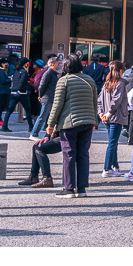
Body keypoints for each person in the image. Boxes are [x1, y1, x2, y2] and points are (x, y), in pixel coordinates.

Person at [46, 53, 98, 198]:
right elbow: (94, 103)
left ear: (66, 66)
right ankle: (82, 188)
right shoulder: (90, 80)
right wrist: (95, 121)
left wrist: (50, 124)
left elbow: (57, 105)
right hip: (88, 122)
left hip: (69, 123)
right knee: (83, 154)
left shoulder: (64, 81)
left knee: (69, 154)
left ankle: (68, 188)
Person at [97, 60, 129, 177]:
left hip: (106, 117)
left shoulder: (107, 82)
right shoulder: (120, 83)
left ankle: (115, 166)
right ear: (120, 70)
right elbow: (116, 101)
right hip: (115, 116)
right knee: (112, 142)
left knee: (113, 142)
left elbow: (99, 100)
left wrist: (101, 113)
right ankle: (107, 168)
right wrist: (108, 113)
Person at [31, 55, 61, 139]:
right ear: (52, 64)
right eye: (57, 63)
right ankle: (34, 133)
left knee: (52, 116)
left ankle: (51, 134)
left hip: (52, 98)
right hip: (47, 98)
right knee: (42, 117)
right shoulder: (48, 73)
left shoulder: (54, 73)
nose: (58, 65)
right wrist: (40, 95)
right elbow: (42, 85)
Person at [3, 58, 34, 131]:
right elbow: (22, 81)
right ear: (25, 64)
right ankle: (31, 127)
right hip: (22, 93)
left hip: (13, 92)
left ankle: (4, 126)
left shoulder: (16, 71)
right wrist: (19, 90)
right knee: (28, 110)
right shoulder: (24, 72)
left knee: (9, 110)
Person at [0, 57, 11, 128]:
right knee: (0, 107)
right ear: (2, 64)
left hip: (3, 91)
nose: (7, 65)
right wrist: (10, 79)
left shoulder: (3, 71)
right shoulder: (1, 72)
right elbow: (3, 81)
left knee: (1, 106)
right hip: (2, 91)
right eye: (5, 63)